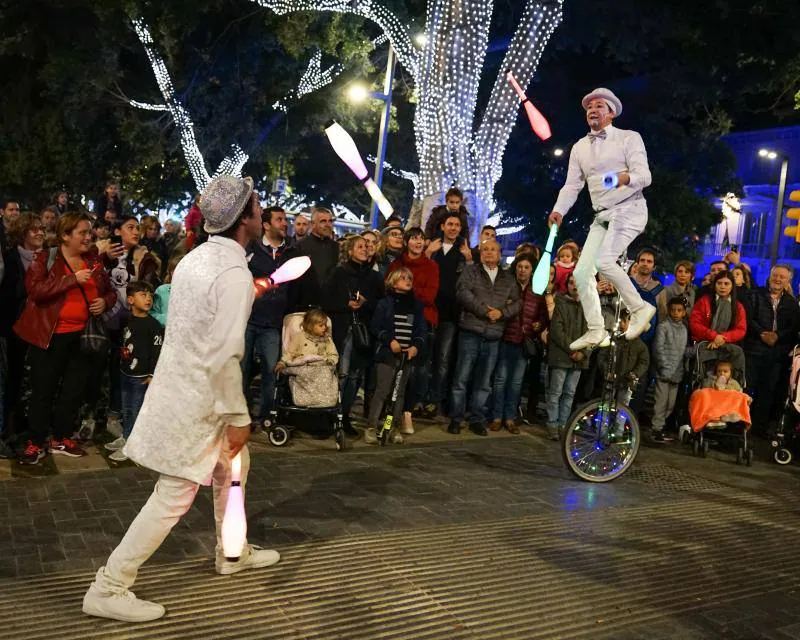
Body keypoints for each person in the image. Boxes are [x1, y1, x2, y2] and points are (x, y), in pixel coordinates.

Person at [82, 175, 280, 623]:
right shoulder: (230, 270)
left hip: (185, 389)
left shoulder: (195, 259)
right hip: (202, 400)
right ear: (245, 217)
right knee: (174, 494)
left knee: (234, 467)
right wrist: (236, 414)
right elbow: (226, 350)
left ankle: (232, 551)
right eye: (256, 203)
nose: (261, 208)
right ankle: (109, 585)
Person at [547, 88, 655, 350]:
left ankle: (640, 308)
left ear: (611, 112)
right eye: (589, 107)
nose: (592, 110)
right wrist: (559, 210)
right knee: (582, 273)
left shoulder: (629, 138)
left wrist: (624, 177)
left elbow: (645, 175)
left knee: (605, 261)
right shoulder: (580, 147)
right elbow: (572, 185)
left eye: (598, 106)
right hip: (602, 215)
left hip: (629, 209)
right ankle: (596, 329)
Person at [13, 212, 117, 464]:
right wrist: (70, 280)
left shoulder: (92, 260)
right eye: (82, 232)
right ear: (65, 235)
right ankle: (36, 442)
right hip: (50, 337)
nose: (88, 237)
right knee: (43, 391)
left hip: (82, 337)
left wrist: (104, 302)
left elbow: (110, 291)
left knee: (73, 390)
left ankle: (61, 437)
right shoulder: (46, 258)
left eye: (89, 232)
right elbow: (35, 291)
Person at [448, 240, 520, 436]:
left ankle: (476, 419)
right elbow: (462, 293)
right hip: (470, 331)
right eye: (486, 249)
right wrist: (484, 311)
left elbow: (517, 303)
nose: (489, 253)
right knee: (461, 379)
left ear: (499, 254)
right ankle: (456, 419)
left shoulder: (508, 278)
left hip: (493, 336)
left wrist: (501, 312)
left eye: (493, 250)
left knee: (483, 382)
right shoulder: (471, 272)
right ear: (480, 253)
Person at [242, 205, 298, 426]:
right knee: (242, 370)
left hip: (274, 323)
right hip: (248, 319)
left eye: (285, 219)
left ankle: (266, 416)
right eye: (279, 219)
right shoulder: (251, 248)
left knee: (270, 371)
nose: (284, 223)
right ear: (266, 224)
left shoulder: (292, 251)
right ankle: (241, 416)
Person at [322, 235, 383, 435]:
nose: (365, 249)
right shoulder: (339, 273)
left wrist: (367, 303)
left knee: (356, 377)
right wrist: (345, 305)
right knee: (343, 374)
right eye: (360, 246)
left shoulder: (374, 277)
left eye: (367, 246)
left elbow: (381, 305)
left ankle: (345, 415)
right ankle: (333, 416)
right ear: (349, 251)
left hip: (363, 333)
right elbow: (325, 301)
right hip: (344, 330)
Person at [386, 227, 439, 432]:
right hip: (397, 320)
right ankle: (391, 413)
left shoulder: (431, 266)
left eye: (421, 239)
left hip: (422, 322)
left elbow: (429, 297)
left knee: (417, 371)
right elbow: (389, 290)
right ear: (407, 242)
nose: (418, 242)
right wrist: (410, 290)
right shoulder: (396, 264)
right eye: (414, 239)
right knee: (395, 371)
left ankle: (407, 412)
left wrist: (406, 288)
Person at [105, 281, 164, 462]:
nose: (148, 299)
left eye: (150, 296)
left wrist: (152, 374)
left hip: (141, 377)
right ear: (130, 300)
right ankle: (126, 436)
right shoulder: (126, 320)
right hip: (125, 373)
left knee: (136, 410)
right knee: (126, 407)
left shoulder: (153, 325)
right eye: (143, 295)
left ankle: (133, 445)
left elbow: (157, 351)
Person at [365, 268, 425, 444]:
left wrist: (416, 345)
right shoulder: (385, 303)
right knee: (382, 391)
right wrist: (389, 340)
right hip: (387, 355)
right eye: (403, 278)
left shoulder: (416, 305)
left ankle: (391, 426)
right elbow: (376, 326)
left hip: (407, 356)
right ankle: (372, 426)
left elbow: (421, 329)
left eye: (410, 278)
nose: (407, 280)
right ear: (394, 281)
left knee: (398, 393)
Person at [490, 254, 548, 433]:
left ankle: (509, 417)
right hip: (506, 338)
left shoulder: (537, 290)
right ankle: (496, 416)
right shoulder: (507, 285)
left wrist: (538, 325)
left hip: (523, 342)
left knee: (516, 383)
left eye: (527, 267)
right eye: (520, 266)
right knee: (500, 380)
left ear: (532, 271)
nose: (522, 270)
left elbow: (543, 315)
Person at [0, 213, 45, 443]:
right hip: (15, 329)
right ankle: (10, 426)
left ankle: (32, 425)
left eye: (41, 229)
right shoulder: (9, 258)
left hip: (42, 328)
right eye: (33, 229)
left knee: (39, 378)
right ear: (22, 233)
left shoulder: (48, 259)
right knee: (14, 378)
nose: (39, 233)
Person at [743, 265, 800, 433]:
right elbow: (748, 318)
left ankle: (759, 427)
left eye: (782, 277)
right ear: (769, 276)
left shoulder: (791, 303)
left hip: (776, 353)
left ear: (788, 281)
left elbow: (793, 326)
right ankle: (742, 424)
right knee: (747, 388)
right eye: (775, 275)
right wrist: (761, 333)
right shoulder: (755, 294)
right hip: (754, 348)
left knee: (768, 390)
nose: (777, 279)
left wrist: (778, 336)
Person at [545, 274, 589, 440]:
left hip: (579, 358)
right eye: (571, 283)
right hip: (562, 356)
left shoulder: (587, 305)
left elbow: (591, 331)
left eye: (577, 283)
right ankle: (553, 424)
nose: (574, 286)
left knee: (569, 392)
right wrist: (572, 350)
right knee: (556, 392)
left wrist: (583, 352)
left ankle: (564, 424)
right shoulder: (561, 304)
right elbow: (557, 331)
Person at [275, 308, 338, 408]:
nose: (325, 328)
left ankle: (323, 400)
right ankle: (305, 399)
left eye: (325, 325)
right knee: (303, 374)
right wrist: (283, 362)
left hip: (320, 366)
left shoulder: (327, 340)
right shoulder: (299, 337)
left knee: (326, 374)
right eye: (321, 325)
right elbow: (290, 353)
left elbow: (333, 354)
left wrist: (330, 361)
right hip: (303, 365)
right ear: (310, 326)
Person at [651, 296, 689, 442]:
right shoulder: (663, 327)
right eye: (673, 310)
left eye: (679, 310)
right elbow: (658, 349)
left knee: (670, 405)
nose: (675, 313)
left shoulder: (684, 329)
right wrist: (664, 367)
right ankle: (656, 429)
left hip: (677, 373)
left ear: (684, 312)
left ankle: (661, 427)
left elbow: (683, 350)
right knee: (660, 402)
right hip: (663, 373)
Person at [297, 207, 338, 290]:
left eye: (330, 221)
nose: (328, 225)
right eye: (323, 221)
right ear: (313, 224)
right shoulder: (300, 246)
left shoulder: (337, 247)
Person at [629, 248, 663, 345]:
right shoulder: (627, 282)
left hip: (647, 342)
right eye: (642, 260)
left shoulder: (659, 290)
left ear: (654, 267)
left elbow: (661, 319)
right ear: (637, 263)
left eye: (649, 261)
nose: (645, 263)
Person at [150, 251, 185, 327]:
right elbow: (152, 313)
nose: (179, 273)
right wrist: (168, 319)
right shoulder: (162, 290)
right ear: (170, 272)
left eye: (182, 270)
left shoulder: (193, 291)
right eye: (175, 270)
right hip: (164, 333)